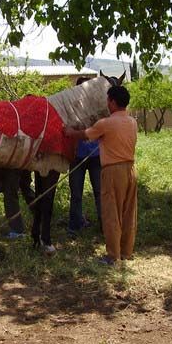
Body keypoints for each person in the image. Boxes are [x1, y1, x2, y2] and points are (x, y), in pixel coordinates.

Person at [64, 85, 138, 265]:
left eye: (108, 100)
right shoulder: (132, 122)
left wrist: (69, 132)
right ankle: (126, 252)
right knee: (128, 212)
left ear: (112, 101)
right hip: (131, 169)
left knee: (111, 212)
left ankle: (113, 256)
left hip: (113, 170)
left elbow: (85, 135)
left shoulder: (106, 123)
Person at [68, 77, 102, 237]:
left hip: (96, 156)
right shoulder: (70, 107)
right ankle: (75, 225)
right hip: (77, 156)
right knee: (76, 193)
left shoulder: (98, 106)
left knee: (100, 192)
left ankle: (104, 225)